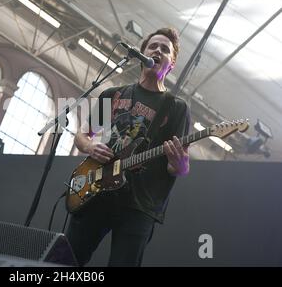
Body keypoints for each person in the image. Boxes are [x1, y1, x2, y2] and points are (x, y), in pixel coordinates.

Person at [65, 28, 190, 266]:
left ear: (171, 64)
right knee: (66, 261)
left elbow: (179, 167)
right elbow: (82, 136)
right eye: (153, 46)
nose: (158, 51)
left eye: (165, 49)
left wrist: (181, 165)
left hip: (139, 205)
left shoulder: (177, 108)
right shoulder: (113, 94)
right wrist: (91, 147)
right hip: (97, 190)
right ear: (142, 54)